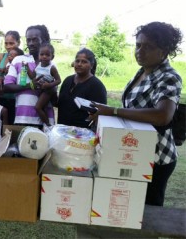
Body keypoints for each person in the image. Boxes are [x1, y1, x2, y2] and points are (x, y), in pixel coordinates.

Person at [90, 22, 183, 206]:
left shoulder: (168, 76)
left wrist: (114, 111)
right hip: (135, 151)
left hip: (157, 156)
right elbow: (133, 110)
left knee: (147, 210)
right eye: (138, 45)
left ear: (164, 50)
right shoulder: (143, 71)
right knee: (129, 206)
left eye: (148, 47)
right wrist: (105, 113)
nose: (140, 51)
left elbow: (163, 115)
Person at [3, 25, 55, 127]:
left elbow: (54, 98)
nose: (31, 43)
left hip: (46, 122)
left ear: (44, 40)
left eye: (35, 40)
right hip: (23, 118)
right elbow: (6, 87)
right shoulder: (19, 60)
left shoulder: (51, 64)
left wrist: (49, 88)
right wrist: (30, 85)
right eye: (28, 40)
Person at [57, 48, 107, 128]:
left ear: (91, 65)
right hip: (62, 130)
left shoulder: (97, 86)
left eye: (84, 61)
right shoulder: (68, 80)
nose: (79, 64)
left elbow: (100, 114)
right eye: (77, 61)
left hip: (83, 134)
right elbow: (60, 103)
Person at [0, 31, 22, 125]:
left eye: (11, 43)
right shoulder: (1, 56)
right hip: (0, 99)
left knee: (12, 127)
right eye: (6, 43)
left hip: (15, 100)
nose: (8, 46)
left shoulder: (22, 58)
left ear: (18, 43)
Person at [26, 43, 61, 126]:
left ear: (52, 57)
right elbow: (33, 76)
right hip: (42, 90)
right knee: (43, 107)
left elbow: (59, 80)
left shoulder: (51, 68)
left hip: (48, 90)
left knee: (38, 107)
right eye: (42, 54)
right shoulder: (38, 66)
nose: (44, 56)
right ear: (38, 56)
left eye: (47, 55)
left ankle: (48, 125)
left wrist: (49, 85)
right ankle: (44, 124)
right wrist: (27, 68)